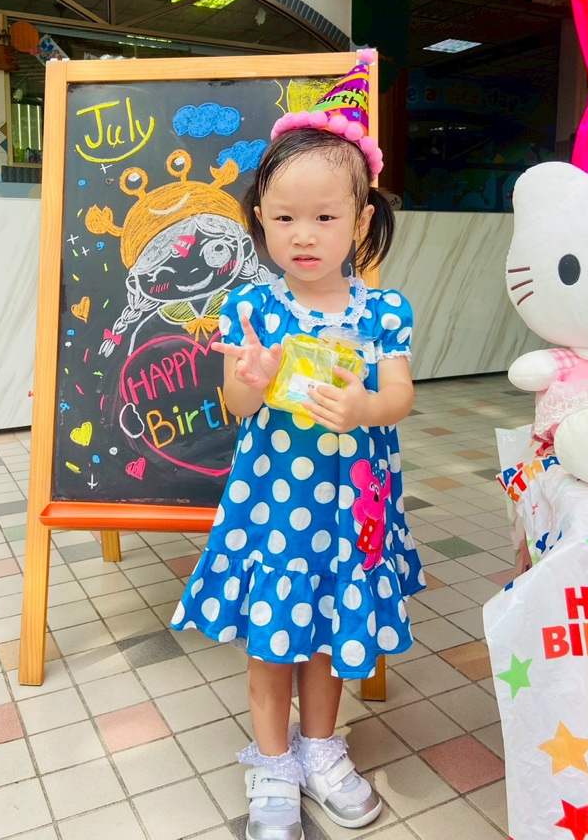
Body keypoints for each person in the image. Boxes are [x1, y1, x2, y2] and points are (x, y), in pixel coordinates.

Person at [171, 52, 425, 840]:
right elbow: (237, 403)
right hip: (275, 510)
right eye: (284, 219)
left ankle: (321, 750)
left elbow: (401, 395)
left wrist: (365, 405)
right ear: (260, 221)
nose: (304, 236)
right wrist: (253, 376)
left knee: (328, 635)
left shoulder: (384, 310)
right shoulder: (253, 307)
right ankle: (274, 765)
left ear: (362, 221)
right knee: (273, 635)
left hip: (353, 508)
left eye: (325, 218)